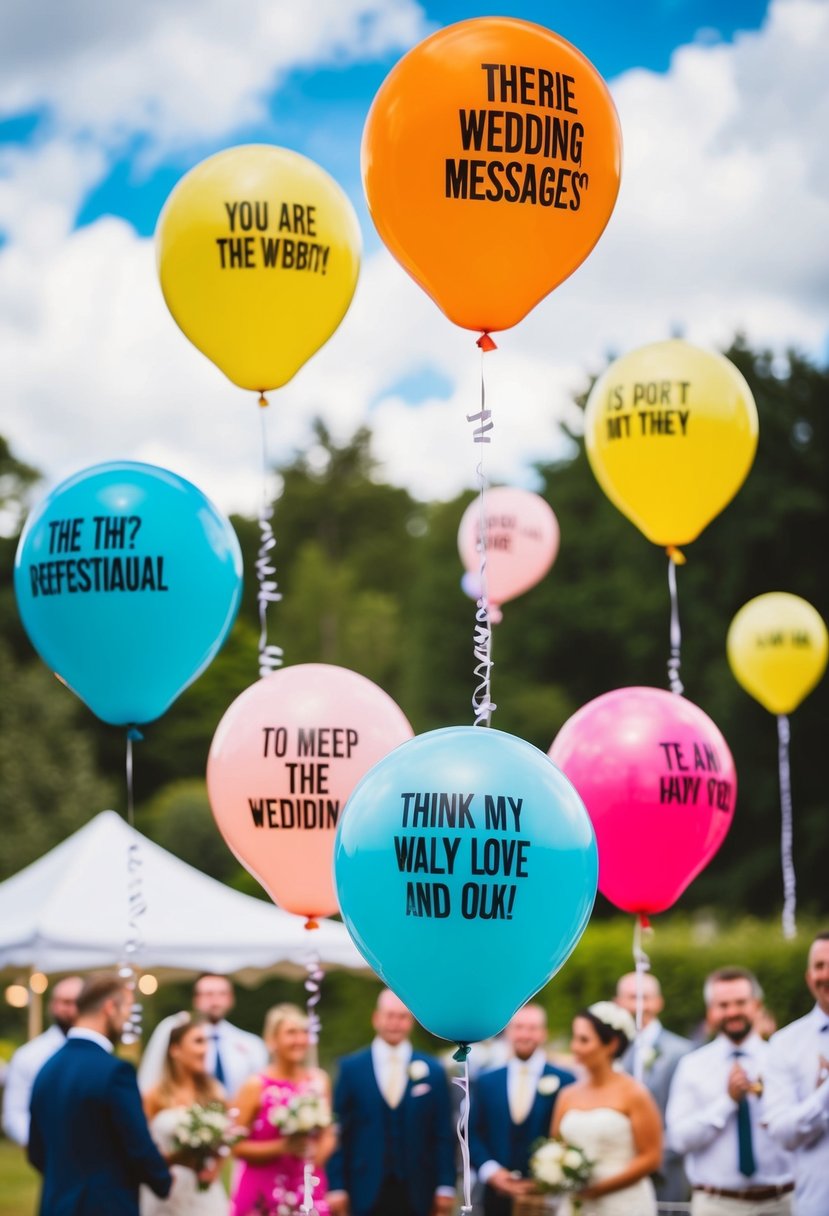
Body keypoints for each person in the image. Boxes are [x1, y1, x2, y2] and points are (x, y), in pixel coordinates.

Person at [28, 971, 172, 1216]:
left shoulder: (47, 1067)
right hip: (105, 1206)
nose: (128, 1019)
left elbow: (36, 1152)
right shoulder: (115, 1072)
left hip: (54, 1205)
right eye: (127, 1008)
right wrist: (162, 1179)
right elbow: (137, 1145)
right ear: (110, 1008)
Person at [666, 966, 794, 1214]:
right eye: (723, 1005)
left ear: (757, 1005)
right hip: (717, 1204)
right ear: (711, 1012)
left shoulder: (781, 1059)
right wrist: (727, 1102)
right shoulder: (692, 1065)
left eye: (740, 1003)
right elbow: (679, 1140)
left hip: (781, 1202)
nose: (733, 1011)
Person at [326, 988, 456, 1216]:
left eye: (402, 1016)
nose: (395, 1023)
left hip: (419, 1189)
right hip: (363, 1186)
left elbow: (443, 1132)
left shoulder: (433, 1070)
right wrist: (336, 1185)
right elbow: (338, 1131)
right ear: (376, 1018)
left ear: (412, 1021)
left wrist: (446, 1183)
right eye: (390, 1015)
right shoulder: (351, 1068)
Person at [551, 1001, 661, 1215]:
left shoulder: (635, 1093)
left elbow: (651, 1157)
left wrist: (599, 1189)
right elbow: (556, 1147)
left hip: (623, 1202)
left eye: (584, 1040)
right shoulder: (567, 1095)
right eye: (574, 1038)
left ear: (611, 1044)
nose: (574, 1047)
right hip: (576, 1204)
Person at [469, 1002, 575, 1216]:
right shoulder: (486, 1081)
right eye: (519, 1027)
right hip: (495, 1193)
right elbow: (471, 1132)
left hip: (544, 1194)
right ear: (508, 1031)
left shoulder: (566, 1081)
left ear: (544, 1033)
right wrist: (492, 1172)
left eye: (532, 1028)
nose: (525, 1034)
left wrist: (549, 1175)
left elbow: (569, 1134)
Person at [229, 1003, 334, 1215]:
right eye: (291, 1033)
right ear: (272, 1041)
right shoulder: (255, 1085)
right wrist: (283, 1147)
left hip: (307, 1185)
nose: (299, 1040)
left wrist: (316, 1157)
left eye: (304, 1033)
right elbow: (234, 1146)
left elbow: (329, 1134)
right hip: (263, 1188)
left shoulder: (318, 1080)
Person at [763, 931, 829, 1216]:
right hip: (817, 1203)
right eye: (819, 966)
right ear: (808, 977)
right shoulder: (786, 1043)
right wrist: (825, 1095)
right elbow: (783, 1133)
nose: (826, 974)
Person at [141, 1013, 230, 1215]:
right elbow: (142, 1146)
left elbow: (228, 1137)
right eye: (198, 1042)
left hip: (204, 1190)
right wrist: (175, 1158)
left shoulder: (214, 1091)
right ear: (175, 1050)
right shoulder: (154, 1096)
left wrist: (215, 1167)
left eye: (206, 1042)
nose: (205, 1049)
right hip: (168, 1187)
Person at [615, 970, 692, 1203]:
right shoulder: (606, 1051)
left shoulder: (683, 1052)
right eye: (631, 997)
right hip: (616, 1170)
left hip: (667, 1171)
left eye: (645, 997)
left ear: (659, 1002)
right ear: (618, 1002)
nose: (639, 1005)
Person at [139, 975, 268, 1096]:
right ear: (196, 999)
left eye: (222, 994)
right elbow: (152, 1077)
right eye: (208, 994)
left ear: (231, 998)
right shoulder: (175, 1029)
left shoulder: (250, 1043)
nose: (215, 1001)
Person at [2, 974, 83, 1146]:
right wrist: (42, 1145)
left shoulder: (104, 1050)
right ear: (53, 1005)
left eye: (79, 1002)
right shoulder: (29, 1055)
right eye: (66, 1002)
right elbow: (14, 1113)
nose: (72, 1009)